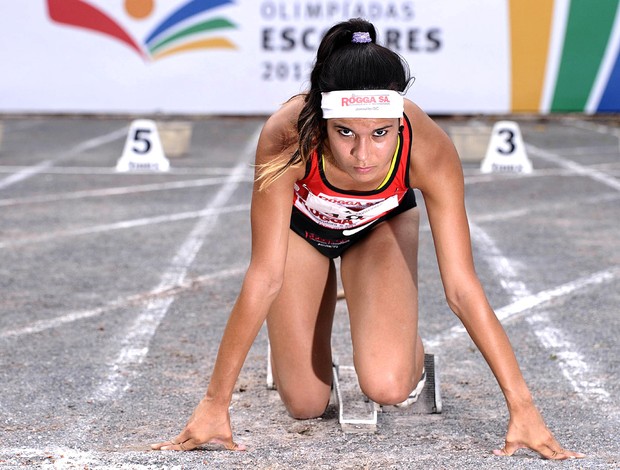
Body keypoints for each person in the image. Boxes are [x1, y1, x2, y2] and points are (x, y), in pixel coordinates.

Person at [151, 18, 585, 460]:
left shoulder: (428, 148)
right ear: (323, 121)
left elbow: (460, 287)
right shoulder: (287, 136)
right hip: (303, 232)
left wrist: (523, 407)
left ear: (398, 121)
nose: (363, 155)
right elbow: (264, 276)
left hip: (378, 230)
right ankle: (288, 347)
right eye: (345, 133)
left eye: (380, 133)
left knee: (388, 385)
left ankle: (401, 341)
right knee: (304, 403)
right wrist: (214, 403)